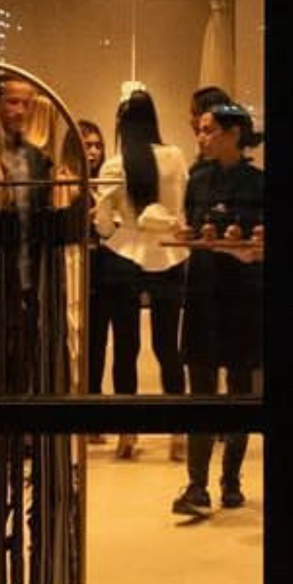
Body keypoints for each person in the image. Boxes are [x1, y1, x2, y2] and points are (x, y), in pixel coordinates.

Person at [174, 102, 265, 516]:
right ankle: (197, 484)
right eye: (200, 129)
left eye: (209, 130)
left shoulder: (259, 183)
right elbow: (190, 226)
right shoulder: (197, 179)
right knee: (201, 387)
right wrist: (185, 232)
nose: (201, 136)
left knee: (240, 386)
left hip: (244, 292)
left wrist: (245, 242)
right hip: (202, 288)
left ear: (233, 134)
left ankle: (231, 479)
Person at [92, 90, 189, 460]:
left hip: (124, 254)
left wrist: (113, 231)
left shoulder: (114, 166)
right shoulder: (175, 157)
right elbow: (181, 206)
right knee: (167, 347)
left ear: (122, 125)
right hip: (169, 253)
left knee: (125, 347)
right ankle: (179, 433)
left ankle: (127, 433)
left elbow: (103, 222)